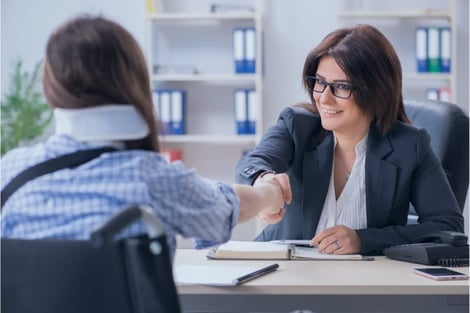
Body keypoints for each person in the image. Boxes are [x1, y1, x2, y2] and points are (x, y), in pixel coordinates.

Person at [0, 14, 292, 259]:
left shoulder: (10, 173)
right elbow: (226, 207)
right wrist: (270, 193)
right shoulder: (150, 178)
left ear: (51, 89)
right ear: (133, 82)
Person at [235, 24, 464, 256]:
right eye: (320, 82)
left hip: (363, 281)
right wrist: (263, 181)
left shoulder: (410, 146)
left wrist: (364, 240)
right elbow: (252, 163)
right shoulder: (297, 126)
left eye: (342, 87)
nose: (324, 98)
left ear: (376, 91)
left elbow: (447, 227)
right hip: (286, 270)